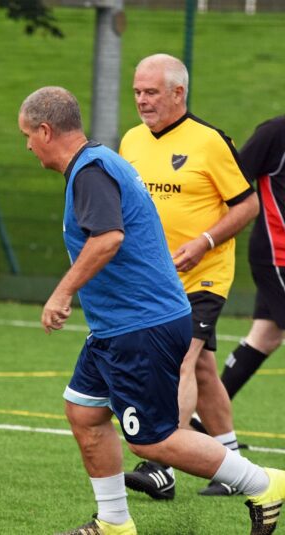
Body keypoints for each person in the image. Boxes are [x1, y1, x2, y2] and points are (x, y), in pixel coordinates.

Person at [18, 85, 284, 535]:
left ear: (46, 130)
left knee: (154, 440)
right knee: (83, 413)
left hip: (140, 326)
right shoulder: (97, 162)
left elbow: (107, 238)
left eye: (27, 135)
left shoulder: (91, 171)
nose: (26, 145)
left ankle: (265, 482)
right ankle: (114, 523)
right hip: (117, 327)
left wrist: (62, 293)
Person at [119, 53, 259, 499]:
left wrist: (204, 242)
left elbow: (248, 204)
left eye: (151, 92)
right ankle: (232, 462)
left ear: (178, 93)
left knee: (180, 360)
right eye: (137, 91)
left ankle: (161, 464)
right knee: (201, 367)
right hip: (153, 282)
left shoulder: (210, 142)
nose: (142, 100)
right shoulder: (131, 141)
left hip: (204, 278)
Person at [216, 116, 285, 403]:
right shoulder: (275, 133)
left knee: (265, 337)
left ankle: (203, 422)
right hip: (277, 254)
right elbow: (234, 181)